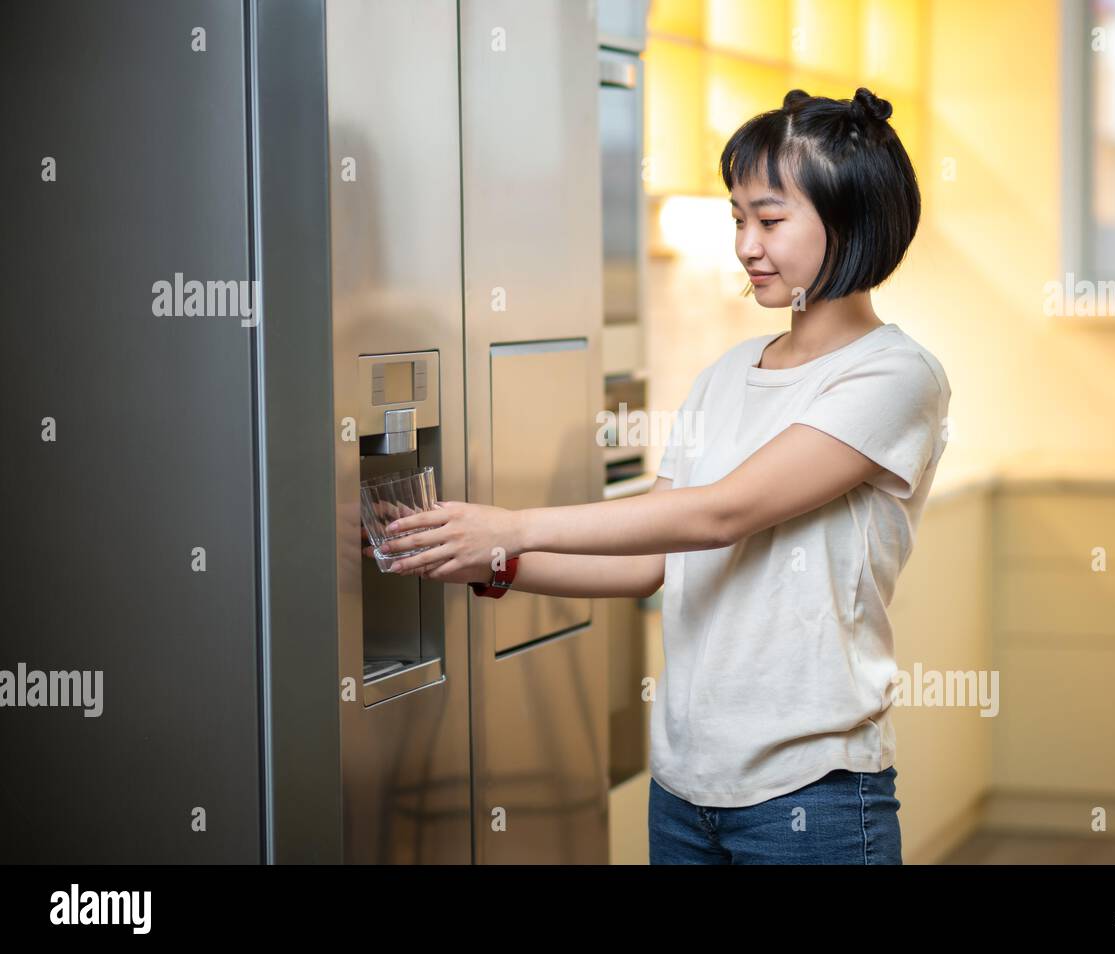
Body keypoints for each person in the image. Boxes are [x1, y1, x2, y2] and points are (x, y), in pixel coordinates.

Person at [380, 86, 951, 865]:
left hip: (811, 793)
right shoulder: (726, 373)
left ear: (850, 220)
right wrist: (481, 557)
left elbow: (722, 514)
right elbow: (652, 561)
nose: (747, 244)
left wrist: (512, 524)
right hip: (684, 789)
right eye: (738, 219)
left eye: (771, 219)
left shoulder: (895, 376)